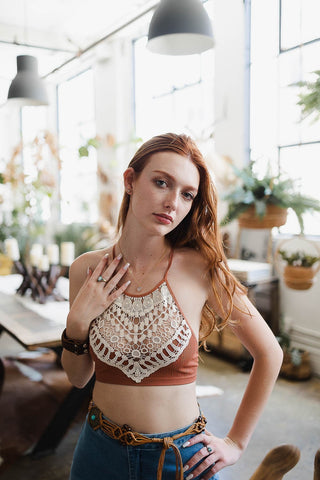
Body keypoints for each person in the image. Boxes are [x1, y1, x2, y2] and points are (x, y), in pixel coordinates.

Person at [61, 133, 283, 480]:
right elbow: (77, 378)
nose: (172, 203)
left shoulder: (202, 269)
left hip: (180, 459)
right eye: (161, 182)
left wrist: (236, 443)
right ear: (130, 181)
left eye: (187, 194)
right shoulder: (85, 270)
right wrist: (77, 322)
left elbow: (270, 353)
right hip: (98, 452)